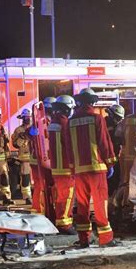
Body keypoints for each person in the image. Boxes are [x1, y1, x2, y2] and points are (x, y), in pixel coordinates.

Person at [69, 88, 118, 247]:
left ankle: (84, 239)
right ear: (92, 102)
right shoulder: (97, 118)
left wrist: (72, 167)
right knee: (100, 202)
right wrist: (110, 162)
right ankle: (105, 238)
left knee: (82, 205)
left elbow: (67, 146)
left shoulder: (71, 121)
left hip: (79, 170)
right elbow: (104, 142)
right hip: (96, 169)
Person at [49, 95, 77, 235]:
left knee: (60, 195)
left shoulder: (53, 122)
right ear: (67, 109)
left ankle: (60, 219)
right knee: (67, 195)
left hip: (55, 165)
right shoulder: (64, 123)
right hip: (65, 166)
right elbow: (69, 145)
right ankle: (64, 223)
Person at [11, 108, 33, 204]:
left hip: (36, 157)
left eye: (29, 117)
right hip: (24, 158)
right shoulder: (18, 130)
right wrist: (22, 136)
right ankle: (27, 197)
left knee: (38, 179)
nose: (27, 119)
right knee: (25, 178)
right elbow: (16, 145)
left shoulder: (35, 128)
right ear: (22, 118)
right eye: (25, 117)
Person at [105, 104, 125, 195]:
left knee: (116, 179)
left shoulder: (120, 125)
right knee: (108, 180)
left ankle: (113, 199)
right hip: (105, 157)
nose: (118, 120)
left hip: (116, 156)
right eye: (117, 117)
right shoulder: (104, 123)